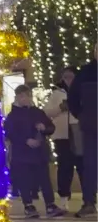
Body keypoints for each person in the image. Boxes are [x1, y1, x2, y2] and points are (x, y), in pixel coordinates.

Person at [4, 84, 67, 218]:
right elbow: (10, 132)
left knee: (44, 179)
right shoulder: (12, 115)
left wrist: (44, 127)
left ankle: (50, 204)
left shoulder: (37, 112)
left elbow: (51, 127)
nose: (24, 99)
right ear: (17, 97)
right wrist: (25, 140)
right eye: (21, 96)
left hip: (39, 153)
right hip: (22, 153)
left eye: (27, 96)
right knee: (24, 180)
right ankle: (28, 205)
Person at [68, 49, 97, 218]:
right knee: (90, 166)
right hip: (91, 127)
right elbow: (73, 98)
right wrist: (82, 115)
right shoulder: (85, 73)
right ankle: (89, 203)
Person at [44, 69, 79, 203]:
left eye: (71, 77)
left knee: (82, 165)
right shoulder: (57, 94)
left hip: (78, 133)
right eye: (66, 77)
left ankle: (89, 200)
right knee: (65, 166)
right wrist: (60, 107)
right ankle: (64, 196)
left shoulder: (80, 91)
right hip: (62, 135)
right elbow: (47, 112)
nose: (68, 80)